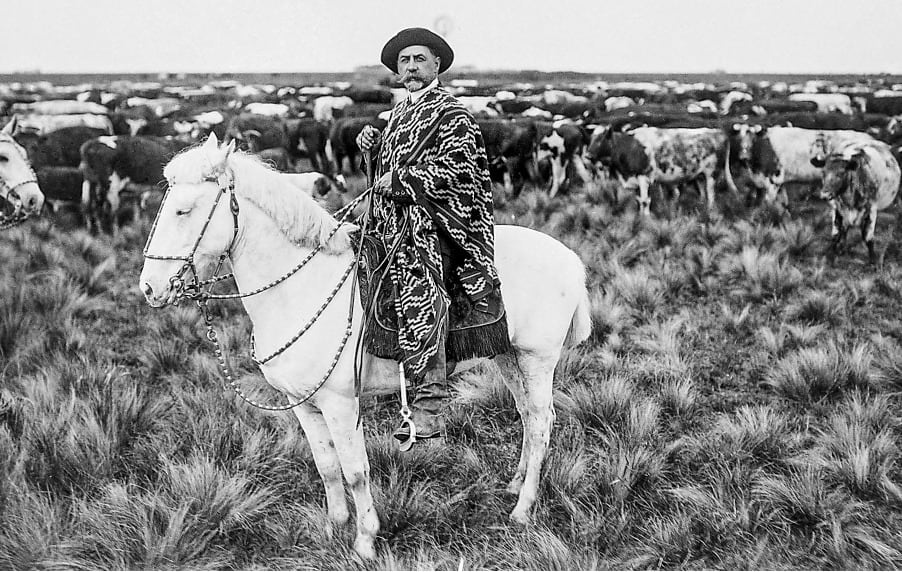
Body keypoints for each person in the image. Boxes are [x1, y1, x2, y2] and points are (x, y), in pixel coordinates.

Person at [356, 27, 509, 447]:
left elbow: (458, 169)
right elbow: (389, 166)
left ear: (436, 64)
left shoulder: (452, 113)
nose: (411, 67)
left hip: (439, 225)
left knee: (419, 291)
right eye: (404, 61)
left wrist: (402, 181)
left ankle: (429, 407)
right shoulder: (399, 114)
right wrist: (373, 148)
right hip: (394, 221)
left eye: (419, 59)